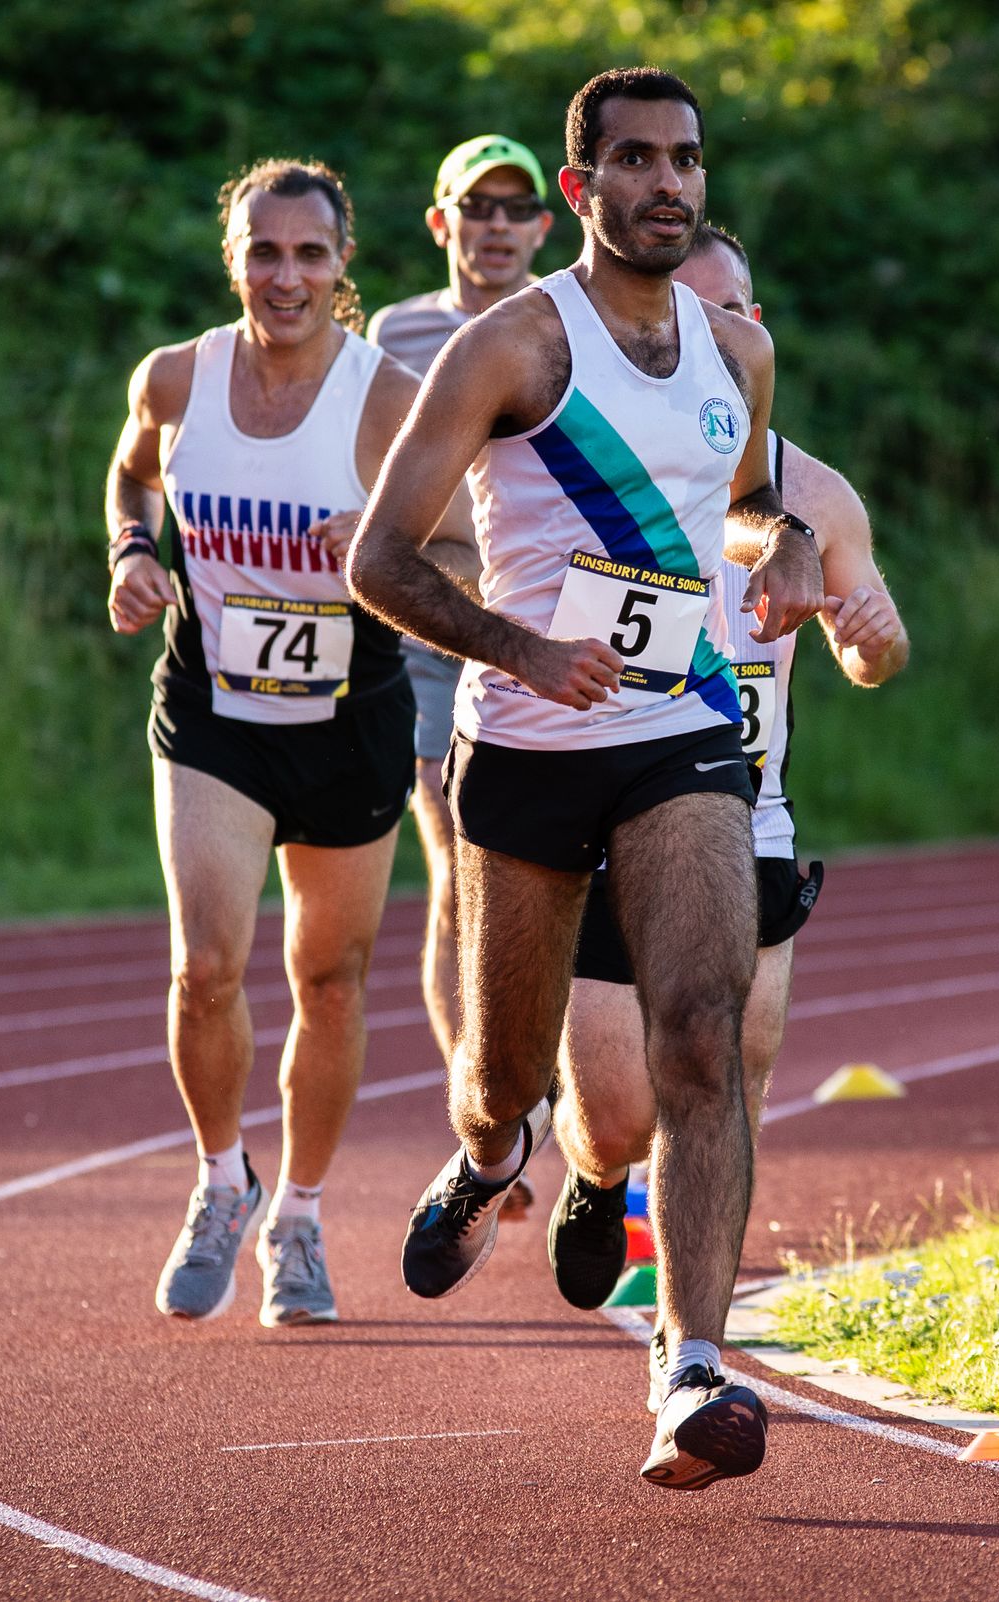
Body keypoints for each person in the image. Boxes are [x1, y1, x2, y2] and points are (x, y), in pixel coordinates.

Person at [348, 69, 824, 1490]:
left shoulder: (738, 353)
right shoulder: (512, 347)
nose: (667, 183)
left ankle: (691, 1368)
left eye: (686, 159)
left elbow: (742, 502)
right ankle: (496, 1157)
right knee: (502, 1076)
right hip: (527, 746)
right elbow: (378, 560)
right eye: (636, 160)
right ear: (581, 188)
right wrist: (522, 649)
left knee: (700, 1036)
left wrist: (787, 543)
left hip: (683, 730)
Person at [544, 227, 911, 1416]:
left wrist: (871, 640)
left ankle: (687, 1350)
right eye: (695, 314)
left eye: (738, 312)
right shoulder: (589, 470)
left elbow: (874, 645)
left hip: (749, 825)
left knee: (728, 1075)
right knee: (616, 1113)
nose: (722, 333)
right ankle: (596, 1178)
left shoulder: (816, 494)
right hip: (612, 815)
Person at [106, 159, 472, 1328]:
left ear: (342, 263)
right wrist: (131, 551)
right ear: (234, 260)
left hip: (349, 719)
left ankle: (300, 1218)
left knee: (328, 977)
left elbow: (470, 550)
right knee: (205, 967)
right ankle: (223, 1181)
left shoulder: (391, 400)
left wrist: (380, 546)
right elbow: (131, 474)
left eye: (310, 254)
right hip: (215, 714)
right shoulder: (176, 378)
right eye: (264, 251)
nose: (286, 276)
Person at [366, 135, 556, 1082]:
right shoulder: (395, 335)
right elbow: (362, 460)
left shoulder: (568, 326)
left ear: (544, 226)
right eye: (478, 207)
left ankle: (558, 1071)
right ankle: (479, 1096)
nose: (497, 226)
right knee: (457, 860)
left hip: (548, 627)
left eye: (516, 209)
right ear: (442, 222)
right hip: (435, 634)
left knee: (555, 871)